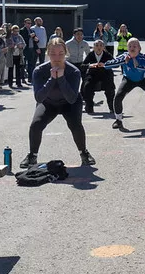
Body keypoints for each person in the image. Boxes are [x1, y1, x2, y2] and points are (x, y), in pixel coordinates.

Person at [19, 37, 95, 169]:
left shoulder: (74, 71)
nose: (57, 57)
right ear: (47, 54)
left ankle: (84, 153)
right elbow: (39, 97)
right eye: (53, 53)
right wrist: (51, 79)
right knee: (36, 125)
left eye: (61, 53)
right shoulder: (39, 71)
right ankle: (32, 155)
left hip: (69, 103)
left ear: (66, 53)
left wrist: (60, 78)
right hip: (48, 103)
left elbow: (71, 98)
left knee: (75, 124)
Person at [105, 38, 145, 130]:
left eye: (134, 46)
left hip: (144, 79)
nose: (132, 48)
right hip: (129, 79)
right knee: (118, 97)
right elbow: (108, 65)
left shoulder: (144, 57)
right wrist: (123, 62)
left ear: (139, 48)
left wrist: (139, 67)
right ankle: (118, 120)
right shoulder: (124, 56)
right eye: (129, 46)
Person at [81, 40, 115, 115]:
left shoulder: (107, 54)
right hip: (93, 75)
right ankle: (89, 107)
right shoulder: (91, 54)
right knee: (87, 86)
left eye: (100, 45)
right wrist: (90, 66)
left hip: (105, 75)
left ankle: (112, 108)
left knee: (110, 88)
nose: (98, 47)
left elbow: (115, 64)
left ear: (103, 47)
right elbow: (82, 66)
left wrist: (105, 65)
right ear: (93, 47)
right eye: (96, 45)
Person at [8, 24, 26, 88]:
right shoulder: (9, 37)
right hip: (11, 55)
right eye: (15, 31)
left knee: (18, 69)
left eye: (17, 31)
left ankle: (18, 83)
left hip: (18, 54)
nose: (16, 33)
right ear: (12, 31)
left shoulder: (19, 36)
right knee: (11, 69)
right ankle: (10, 83)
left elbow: (24, 44)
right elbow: (7, 44)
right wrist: (11, 46)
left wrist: (21, 46)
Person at [21, 18, 38, 84]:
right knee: (23, 64)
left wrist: (36, 40)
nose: (29, 24)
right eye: (28, 23)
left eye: (30, 23)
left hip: (32, 49)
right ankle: (22, 78)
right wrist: (29, 36)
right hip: (25, 49)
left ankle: (30, 78)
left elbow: (35, 40)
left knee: (31, 64)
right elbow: (22, 39)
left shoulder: (32, 30)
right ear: (24, 23)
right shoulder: (22, 30)